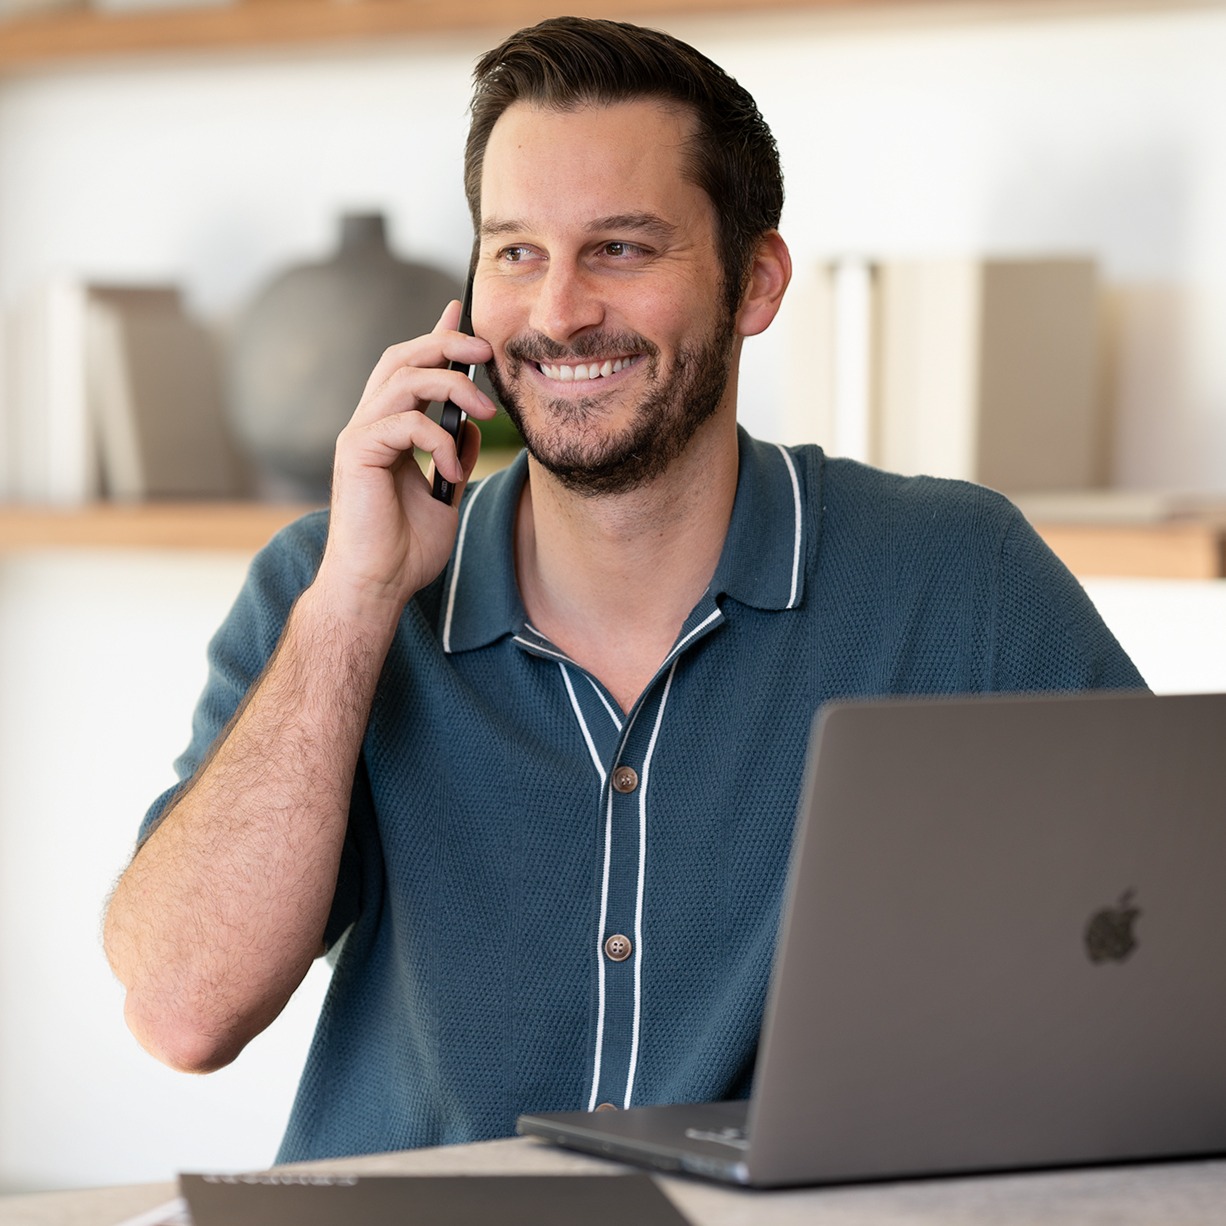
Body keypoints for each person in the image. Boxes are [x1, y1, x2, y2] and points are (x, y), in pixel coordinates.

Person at [103, 16, 1145, 1165]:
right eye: (514, 252)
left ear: (754, 282)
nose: (556, 312)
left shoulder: (957, 577)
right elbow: (181, 1010)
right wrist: (356, 600)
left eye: (621, 249)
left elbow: (1156, 968)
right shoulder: (328, 583)